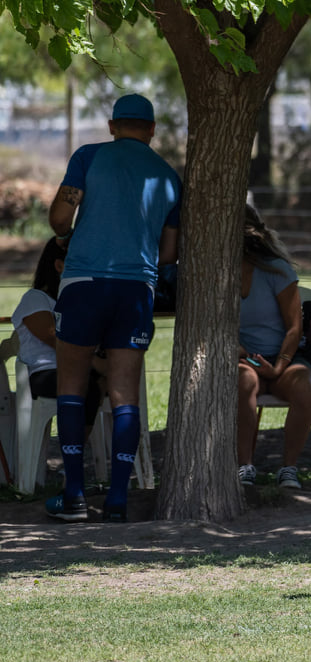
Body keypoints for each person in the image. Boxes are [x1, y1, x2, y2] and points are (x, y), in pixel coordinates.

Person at [44, 93, 181, 523]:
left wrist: (68, 238)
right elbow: (169, 252)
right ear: (152, 130)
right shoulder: (169, 176)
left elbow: (59, 220)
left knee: (72, 383)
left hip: (83, 280)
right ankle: (118, 499)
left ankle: (74, 496)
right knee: (125, 392)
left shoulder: (88, 156)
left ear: (111, 126)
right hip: (136, 287)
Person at [236, 205, 311, 492]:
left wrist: (279, 366)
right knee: (242, 381)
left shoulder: (276, 270)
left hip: (285, 357)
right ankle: (244, 466)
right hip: (244, 359)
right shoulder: (218, 275)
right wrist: (240, 350)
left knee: (303, 387)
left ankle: (288, 468)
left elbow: (295, 327)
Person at [11, 239, 109, 475]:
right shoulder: (35, 299)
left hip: (78, 369)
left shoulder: (77, 302)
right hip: (45, 372)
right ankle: (72, 463)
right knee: (88, 385)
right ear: (59, 265)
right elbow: (54, 338)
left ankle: (111, 463)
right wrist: (95, 360)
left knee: (113, 382)